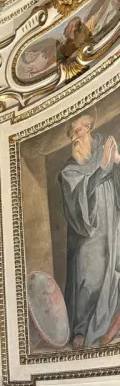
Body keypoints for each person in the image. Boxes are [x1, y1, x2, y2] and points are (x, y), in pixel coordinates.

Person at [58, 114, 120, 348]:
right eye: (72, 133)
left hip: (112, 222)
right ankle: (82, 329)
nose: (74, 137)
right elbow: (76, 199)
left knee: (115, 270)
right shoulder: (70, 169)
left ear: (89, 128)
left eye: (78, 131)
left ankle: (109, 327)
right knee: (89, 276)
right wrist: (103, 167)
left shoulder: (106, 147)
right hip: (87, 232)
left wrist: (117, 160)